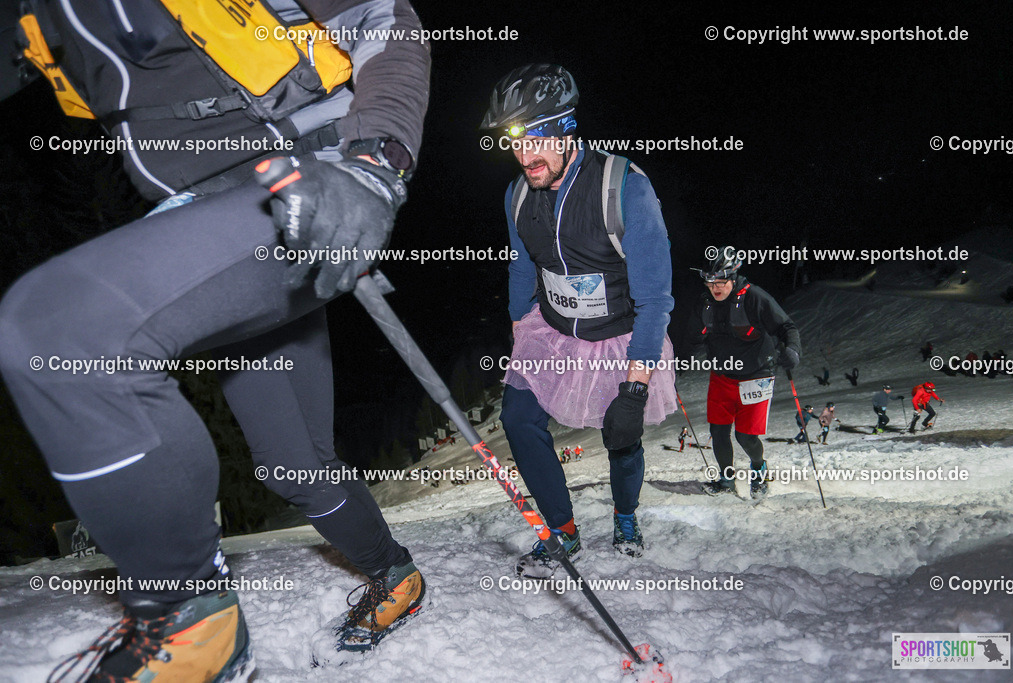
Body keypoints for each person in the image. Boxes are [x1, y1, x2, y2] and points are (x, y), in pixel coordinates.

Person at [0, 2, 430, 679]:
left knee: (61, 329)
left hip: (304, 186)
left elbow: (384, 17)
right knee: (294, 466)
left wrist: (375, 161)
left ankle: (190, 614)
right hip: (207, 219)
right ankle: (396, 575)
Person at [482, 64, 676, 575]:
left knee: (622, 435)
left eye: (535, 141)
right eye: (514, 143)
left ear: (566, 129)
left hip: (620, 337)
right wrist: (519, 327)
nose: (525, 157)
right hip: (552, 332)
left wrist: (635, 388)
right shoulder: (518, 193)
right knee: (518, 419)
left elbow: (656, 298)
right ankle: (561, 530)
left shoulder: (625, 188)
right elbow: (522, 262)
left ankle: (626, 515)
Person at [681, 250, 801, 499]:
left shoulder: (754, 298)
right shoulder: (705, 304)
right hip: (722, 375)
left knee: (745, 436)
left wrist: (792, 350)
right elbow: (692, 339)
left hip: (756, 375)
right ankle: (726, 481)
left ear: (733, 276)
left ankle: (759, 470)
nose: (715, 287)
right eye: (710, 281)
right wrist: (677, 363)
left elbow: (786, 327)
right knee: (718, 432)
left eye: (720, 281)